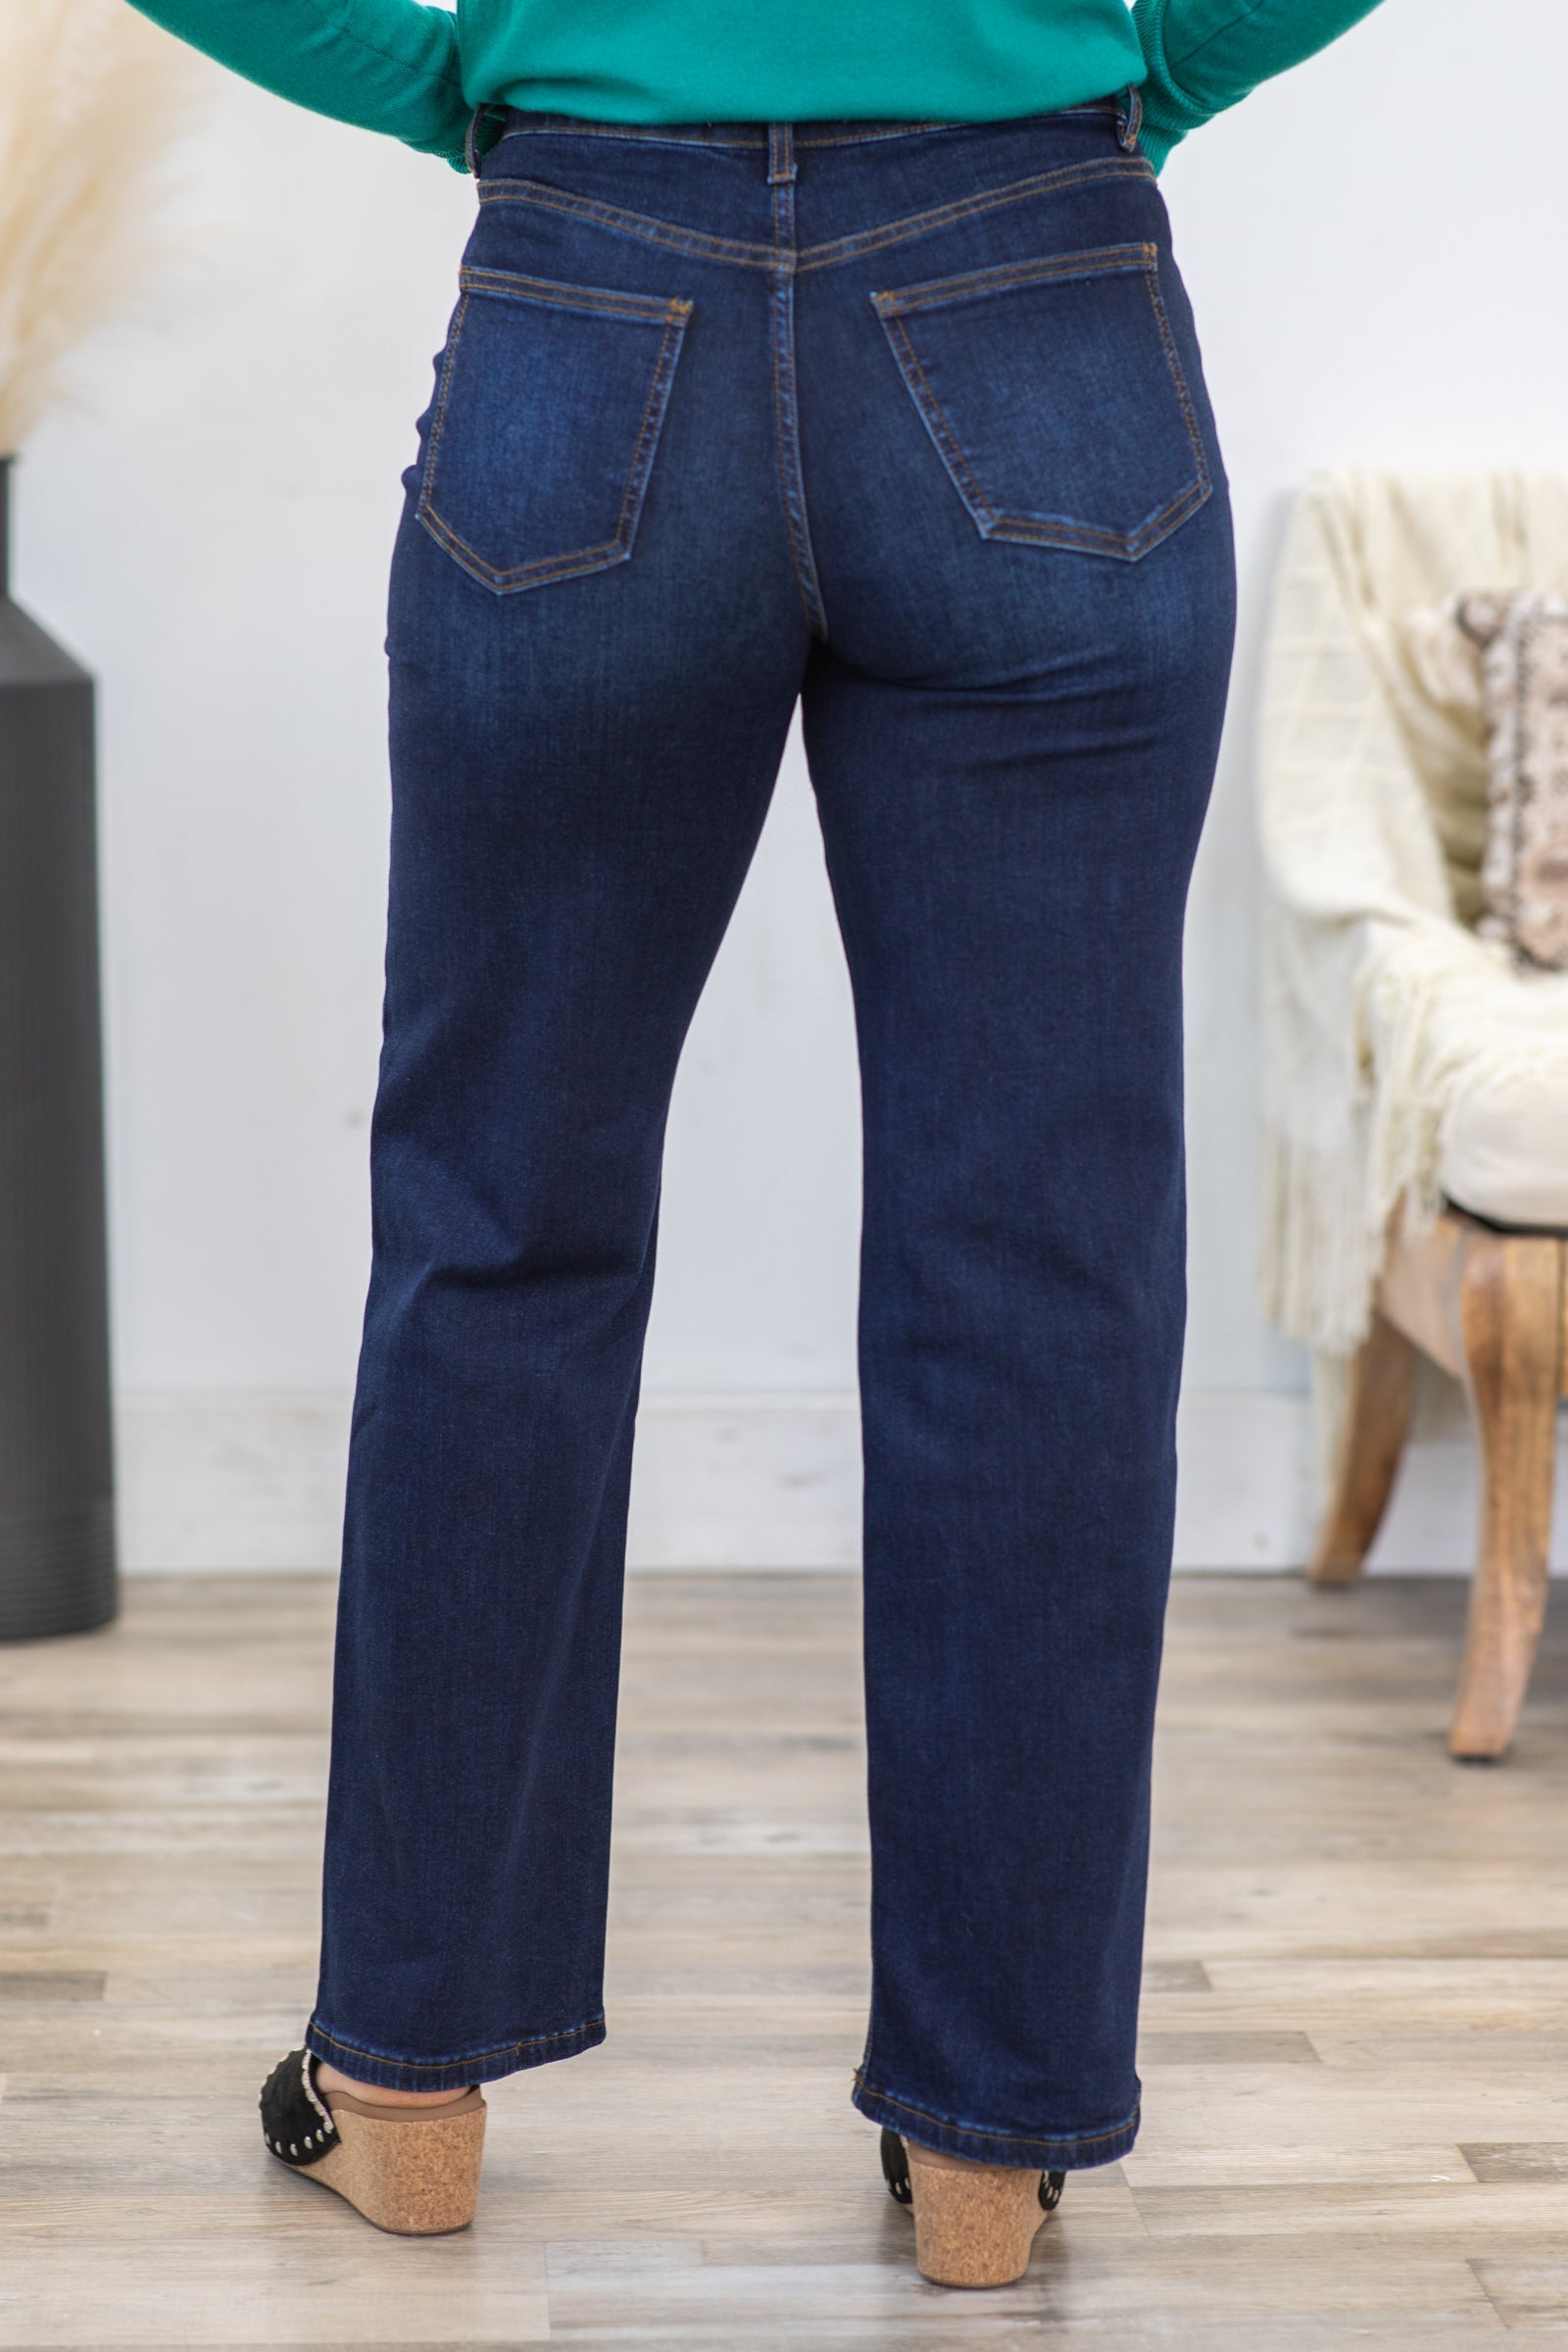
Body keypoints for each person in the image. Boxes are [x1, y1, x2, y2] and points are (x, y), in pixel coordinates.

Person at [130, 0, 1384, 2288]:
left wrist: (458, 81)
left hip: (588, 297)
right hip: (1038, 292)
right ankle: (990, 2147)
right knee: (1037, 1271)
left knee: (500, 1230)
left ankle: (405, 2085)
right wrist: (1142, 65)